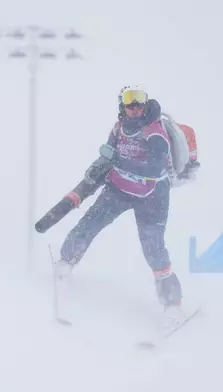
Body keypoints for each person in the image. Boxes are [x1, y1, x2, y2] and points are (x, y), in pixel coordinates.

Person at [55, 85, 189, 316]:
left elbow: (154, 167)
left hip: (152, 195)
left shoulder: (155, 132)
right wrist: (95, 172)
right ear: (122, 104)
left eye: (139, 100)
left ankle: (172, 304)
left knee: (153, 248)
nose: (135, 106)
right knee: (89, 224)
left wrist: (120, 162)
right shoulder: (119, 129)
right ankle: (64, 265)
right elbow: (108, 155)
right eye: (129, 101)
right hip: (119, 189)